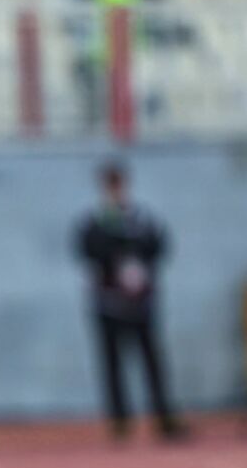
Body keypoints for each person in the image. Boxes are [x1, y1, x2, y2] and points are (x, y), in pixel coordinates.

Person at [75, 161, 184, 440]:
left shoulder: (141, 218)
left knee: (152, 361)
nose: (116, 190)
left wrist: (139, 265)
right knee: (112, 363)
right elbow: (88, 251)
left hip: (140, 303)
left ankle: (163, 416)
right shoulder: (95, 220)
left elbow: (158, 246)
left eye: (119, 184)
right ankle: (120, 420)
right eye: (111, 185)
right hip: (109, 302)